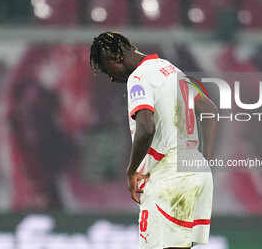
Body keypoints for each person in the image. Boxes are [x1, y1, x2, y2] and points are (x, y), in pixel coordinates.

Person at [90, 32, 217, 249]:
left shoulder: (139, 78)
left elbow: (146, 128)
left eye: (105, 69)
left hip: (169, 176)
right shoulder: (170, 69)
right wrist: (203, 162)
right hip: (196, 171)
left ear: (114, 57)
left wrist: (131, 171)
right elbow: (210, 110)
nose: (110, 78)